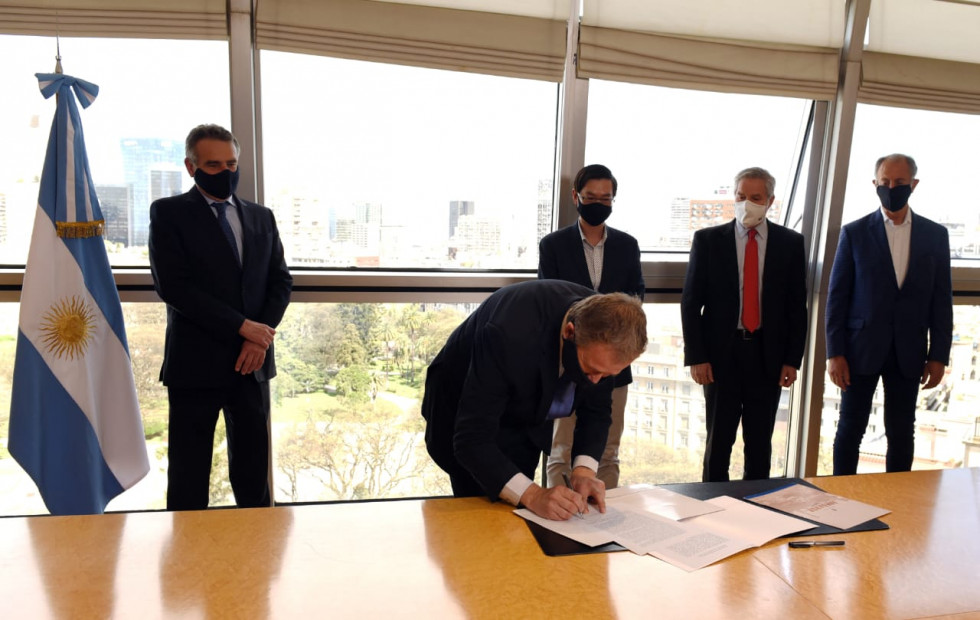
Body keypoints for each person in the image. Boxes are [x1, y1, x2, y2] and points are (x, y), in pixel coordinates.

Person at [149, 124, 292, 510]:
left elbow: (280, 282)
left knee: (252, 473)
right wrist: (242, 327)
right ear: (191, 167)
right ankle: (186, 558)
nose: (225, 171)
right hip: (195, 364)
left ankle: (258, 557)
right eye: (213, 164)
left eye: (231, 162)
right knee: (188, 474)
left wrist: (257, 337)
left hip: (252, 363)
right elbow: (174, 287)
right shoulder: (168, 214)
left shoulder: (262, 217)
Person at [421, 280, 647, 521]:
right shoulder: (508, 333)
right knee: (481, 512)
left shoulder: (607, 337)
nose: (596, 381)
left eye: (606, 375)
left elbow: (597, 411)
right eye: (591, 370)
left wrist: (584, 471)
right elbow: (472, 440)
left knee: (518, 509)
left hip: (525, 414)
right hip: (461, 410)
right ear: (569, 332)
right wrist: (533, 495)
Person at [826, 153, 952, 475]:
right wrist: (835, 353)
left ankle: (898, 502)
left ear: (914, 184)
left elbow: (941, 301)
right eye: (885, 182)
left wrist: (938, 356)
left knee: (901, 432)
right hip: (859, 350)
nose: (891, 187)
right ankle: (841, 502)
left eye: (898, 182)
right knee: (849, 429)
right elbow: (837, 298)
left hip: (908, 350)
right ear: (875, 184)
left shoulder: (935, 236)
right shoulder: (853, 233)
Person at [680, 167, 807, 482]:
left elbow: (796, 307)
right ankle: (712, 514)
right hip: (721, 356)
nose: (746, 203)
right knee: (718, 443)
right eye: (741, 197)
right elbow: (691, 303)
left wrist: (792, 359)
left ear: (770, 201)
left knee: (759, 445)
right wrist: (697, 357)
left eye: (755, 198)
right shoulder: (708, 240)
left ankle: (757, 511)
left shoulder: (790, 243)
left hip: (767, 356)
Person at [538, 164, 644, 490]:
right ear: (576, 197)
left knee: (608, 450)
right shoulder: (554, 245)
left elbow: (635, 296)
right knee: (561, 448)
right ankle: (557, 513)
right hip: (570, 359)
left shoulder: (627, 245)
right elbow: (550, 299)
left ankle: (603, 514)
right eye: (591, 197)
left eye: (606, 198)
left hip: (612, 362)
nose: (599, 203)